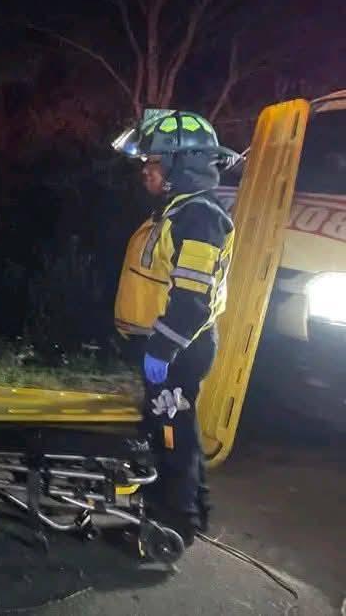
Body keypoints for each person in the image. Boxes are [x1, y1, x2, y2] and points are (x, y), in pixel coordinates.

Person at [112, 109, 237, 546]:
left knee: (170, 436)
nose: (146, 171)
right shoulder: (178, 210)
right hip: (169, 348)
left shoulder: (198, 217)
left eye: (153, 163)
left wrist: (161, 349)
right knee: (178, 428)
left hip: (177, 351)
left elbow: (192, 299)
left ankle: (171, 525)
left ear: (178, 167)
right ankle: (193, 512)